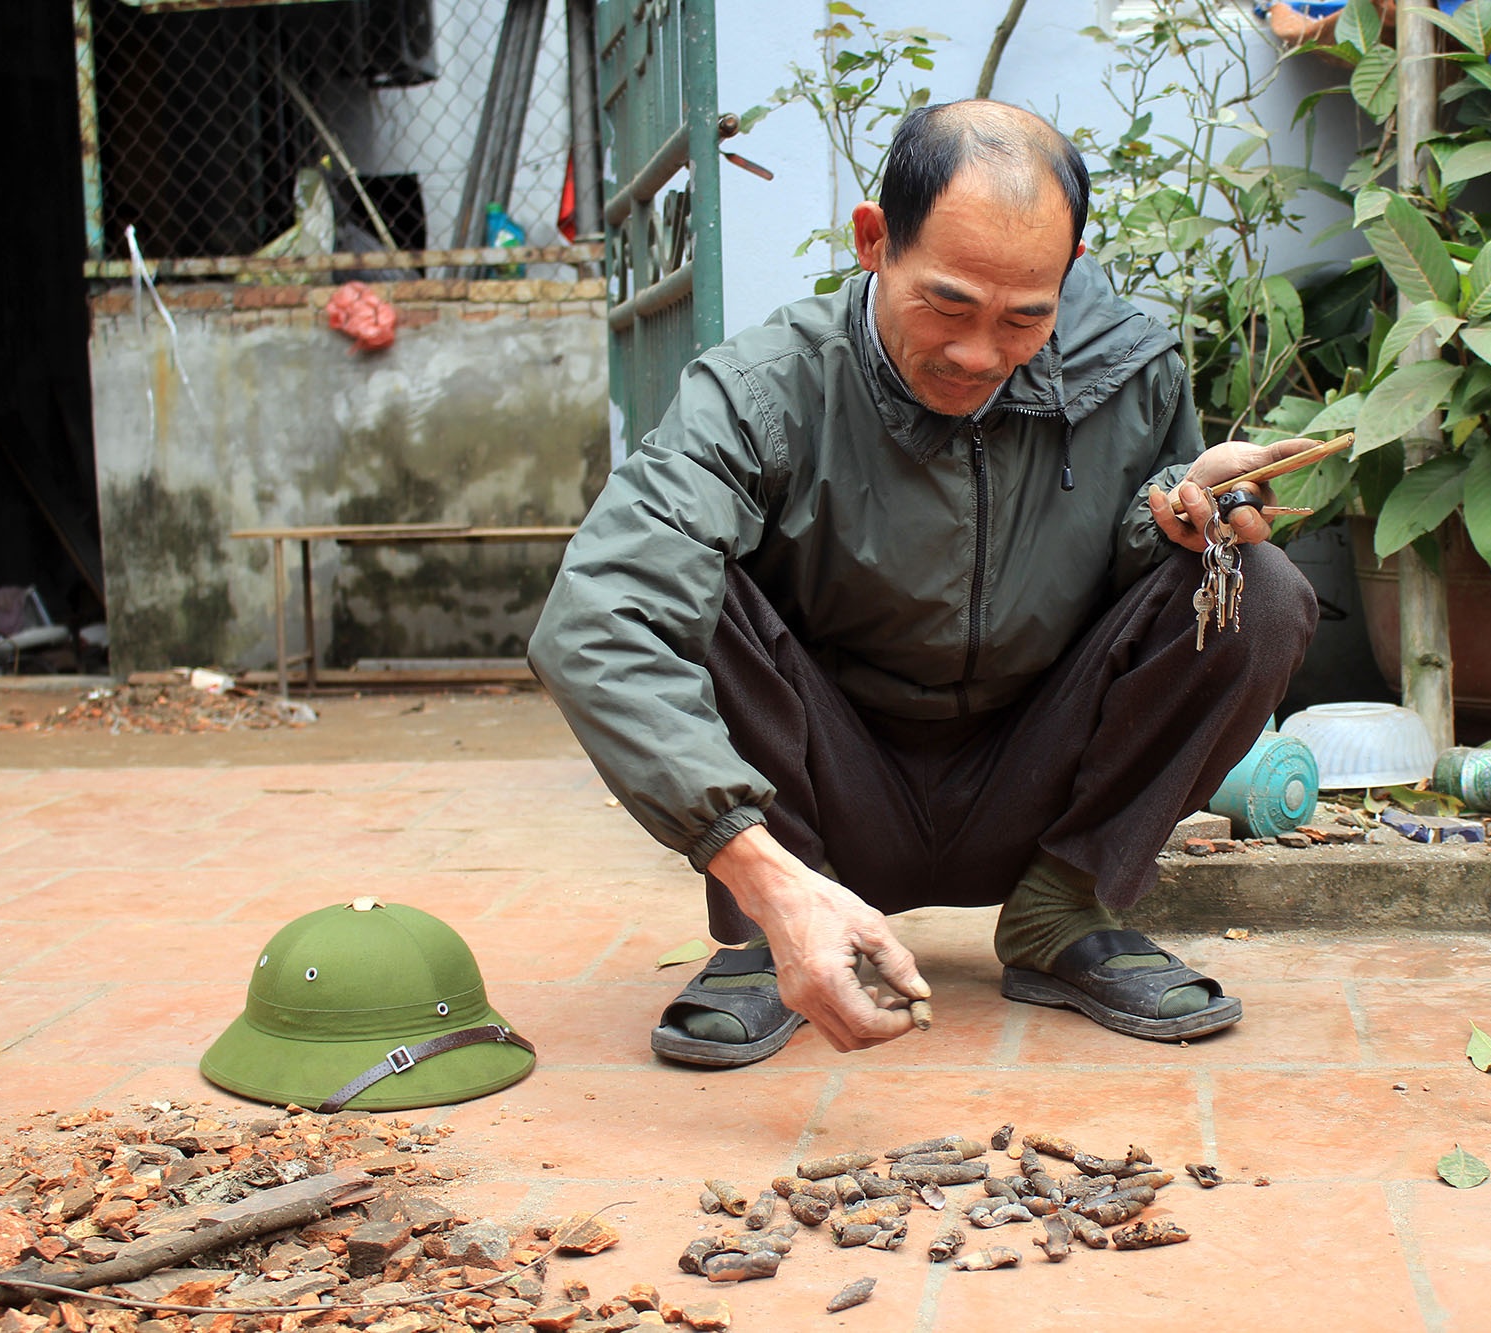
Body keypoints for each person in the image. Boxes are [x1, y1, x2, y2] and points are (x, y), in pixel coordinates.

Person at [529, 100, 1319, 1068]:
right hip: (825, 788)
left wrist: (1179, 513)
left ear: (1068, 272)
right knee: (683, 582)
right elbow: (595, 617)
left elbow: (1134, 591)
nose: (979, 354)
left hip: (1028, 773)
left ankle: (1063, 907)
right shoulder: (761, 392)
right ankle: (775, 925)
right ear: (874, 241)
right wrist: (763, 875)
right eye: (946, 304)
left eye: (1024, 317)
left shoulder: (1131, 370)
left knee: (1255, 587)